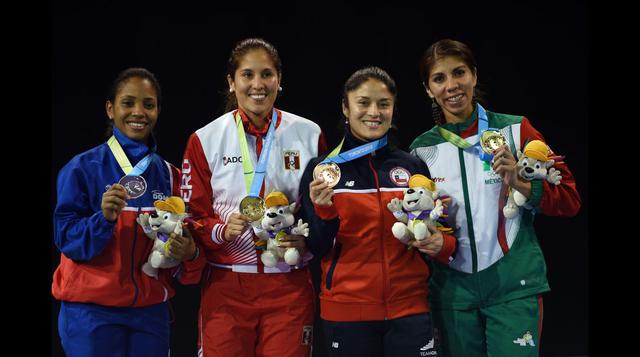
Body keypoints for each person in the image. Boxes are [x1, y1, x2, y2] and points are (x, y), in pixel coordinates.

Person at [409, 39, 582, 357]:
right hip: (453, 297)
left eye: (459, 72)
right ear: (428, 89)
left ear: (474, 75)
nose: (452, 85)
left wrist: (522, 182)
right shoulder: (421, 150)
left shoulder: (516, 130)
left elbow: (569, 199)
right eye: (439, 78)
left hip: (513, 288)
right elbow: (416, 220)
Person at [181, 38, 326, 357]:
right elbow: (191, 217)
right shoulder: (205, 139)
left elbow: (323, 211)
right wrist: (220, 230)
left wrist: (309, 240)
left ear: (280, 79)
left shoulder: (309, 134)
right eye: (247, 75)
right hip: (227, 285)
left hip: (288, 284)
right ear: (231, 82)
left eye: (267, 74)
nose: (257, 85)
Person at [299, 66, 457, 357]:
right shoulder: (321, 170)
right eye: (363, 102)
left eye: (383, 104)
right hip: (347, 312)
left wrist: (442, 244)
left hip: (411, 309)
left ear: (393, 109)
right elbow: (316, 248)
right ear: (346, 108)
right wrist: (323, 211)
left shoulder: (412, 166)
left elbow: (435, 227)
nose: (374, 112)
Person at [52, 67, 206, 356]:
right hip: (91, 313)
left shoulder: (171, 176)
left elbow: (183, 267)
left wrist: (190, 255)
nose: (139, 112)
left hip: (150, 314)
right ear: (110, 109)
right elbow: (66, 240)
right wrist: (103, 220)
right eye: (128, 103)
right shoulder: (82, 169)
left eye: (148, 104)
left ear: (158, 110)